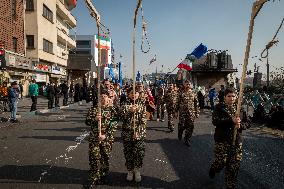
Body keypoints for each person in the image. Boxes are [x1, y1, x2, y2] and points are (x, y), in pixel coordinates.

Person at [209, 88, 251, 189]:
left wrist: (241, 125)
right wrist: (230, 120)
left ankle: (230, 185)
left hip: (236, 141)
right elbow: (215, 121)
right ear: (225, 97)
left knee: (234, 166)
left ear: (236, 97)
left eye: (233, 96)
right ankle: (214, 168)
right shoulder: (219, 107)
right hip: (222, 140)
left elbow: (248, 122)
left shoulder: (240, 108)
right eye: (229, 96)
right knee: (221, 162)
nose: (231, 98)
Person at [85, 90, 118, 187]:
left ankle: (104, 176)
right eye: (101, 96)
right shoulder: (94, 109)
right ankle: (94, 178)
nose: (103, 98)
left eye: (105, 96)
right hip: (94, 138)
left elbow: (114, 125)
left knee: (105, 157)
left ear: (108, 98)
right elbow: (87, 122)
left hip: (107, 139)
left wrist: (105, 135)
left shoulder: (112, 110)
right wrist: (94, 119)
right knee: (94, 158)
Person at [120, 87, 147, 182]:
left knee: (139, 152)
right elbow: (121, 117)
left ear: (138, 94)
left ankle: (137, 170)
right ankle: (130, 170)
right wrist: (129, 111)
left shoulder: (142, 105)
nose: (134, 94)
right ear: (128, 94)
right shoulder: (124, 104)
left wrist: (138, 132)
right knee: (128, 153)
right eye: (131, 93)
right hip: (127, 133)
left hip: (139, 134)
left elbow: (144, 120)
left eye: (136, 93)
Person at [176, 80, 200, 146]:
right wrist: (176, 112)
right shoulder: (181, 93)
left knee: (190, 126)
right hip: (182, 113)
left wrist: (197, 112)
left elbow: (196, 103)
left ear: (190, 85)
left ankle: (187, 139)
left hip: (191, 113)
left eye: (189, 84)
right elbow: (177, 103)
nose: (188, 86)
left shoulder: (193, 93)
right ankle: (180, 132)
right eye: (186, 84)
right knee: (182, 125)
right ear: (184, 85)